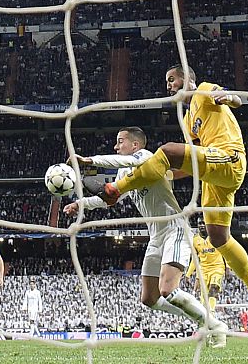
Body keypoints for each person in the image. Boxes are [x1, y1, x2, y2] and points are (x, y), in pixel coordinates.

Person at [85, 65, 248, 325]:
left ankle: (116, 189)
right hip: (213, 175)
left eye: (171, 79)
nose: (168, 85)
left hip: (229, 157)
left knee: (169, 150)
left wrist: (228, 98)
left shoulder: (204, 91)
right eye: (167, 80)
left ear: (188, 80)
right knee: (218, 236)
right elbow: (192, 161)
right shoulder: (188, 120)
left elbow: (236, 98)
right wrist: (167, 175)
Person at [70, 127, 227, 347]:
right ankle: (202, 320)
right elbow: (109, 199)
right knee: (149, 298)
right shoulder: (123, 174)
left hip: (175, 227)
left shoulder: (146, 157)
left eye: (120, 141)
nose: (116, 146)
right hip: (156, 236)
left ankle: (214, 325)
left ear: (135, 145)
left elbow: (118, 161)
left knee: (167, 289)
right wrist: (80, 204)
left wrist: (89, 160)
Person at [185, 219, 226, 316]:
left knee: (214, 287)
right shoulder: (195, 240)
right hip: (203, 270)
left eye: (204, 223)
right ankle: (206, 316)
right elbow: (195, 260)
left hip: (217, 267)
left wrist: (228, 267)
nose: (202, 225)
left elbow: (225, 252)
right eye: (200, 223)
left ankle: (211, 311)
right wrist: (188, 274)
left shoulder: (216, 236)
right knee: (204, 297)